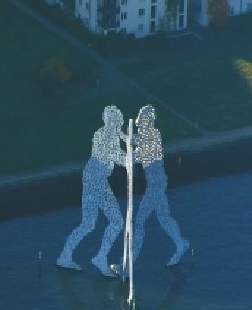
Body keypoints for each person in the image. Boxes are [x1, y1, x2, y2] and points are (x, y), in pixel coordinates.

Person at [57, 106, 125, 277]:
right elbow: (118, 157)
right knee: (116, 221)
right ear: (110, 121)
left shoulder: (105, 133)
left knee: (89, 223)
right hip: (96, 182)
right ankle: (100, 257)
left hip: (93, 179)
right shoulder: (105, 136)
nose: (118, 123)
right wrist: (136, 156)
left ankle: (65, 256)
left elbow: (118, 153)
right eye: (116, 120)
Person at [131, 105, 189, 267]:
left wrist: (129, 147)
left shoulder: (153, 136)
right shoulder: (145, 137)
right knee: (164, 218)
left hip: (156, 185)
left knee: (140, 222)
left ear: (148, 122)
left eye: (142, 122)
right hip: (157, 184)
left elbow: (140, 153)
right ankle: (180, 243)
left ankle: (128, 264)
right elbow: (136, 147)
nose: (140, 125)